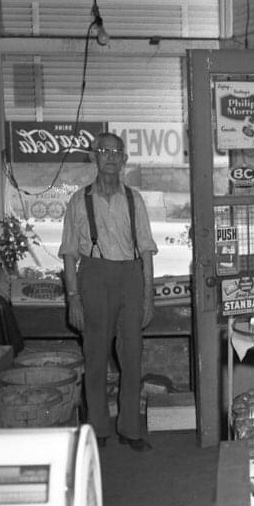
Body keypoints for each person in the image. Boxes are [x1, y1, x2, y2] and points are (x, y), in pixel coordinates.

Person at [59, 132, 157, 451]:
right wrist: (73, 298)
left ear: (125, 159)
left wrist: (148, 295)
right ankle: (97, 428)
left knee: (132, 356)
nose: (111, 157)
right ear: (94, 158)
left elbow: (145, 251)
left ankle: (130, 427)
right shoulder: (79, 200)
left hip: (130, 276)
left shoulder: (134, 199)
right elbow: (70, 253)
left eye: (117, 152)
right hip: (94, 276)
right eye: (104, 151)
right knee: (96, 356)